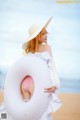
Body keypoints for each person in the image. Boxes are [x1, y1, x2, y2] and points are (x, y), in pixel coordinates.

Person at [20, 17, 62, 120]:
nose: (46, 35)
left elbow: (22, 70)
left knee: (27, 113)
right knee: (41, 114)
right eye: (43, 33)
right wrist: (55, 84)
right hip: (36, 84)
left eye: (46, 33)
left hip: (24, 84)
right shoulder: (47, 48)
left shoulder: (29, 51)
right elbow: (51, 68)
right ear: (36, 36)